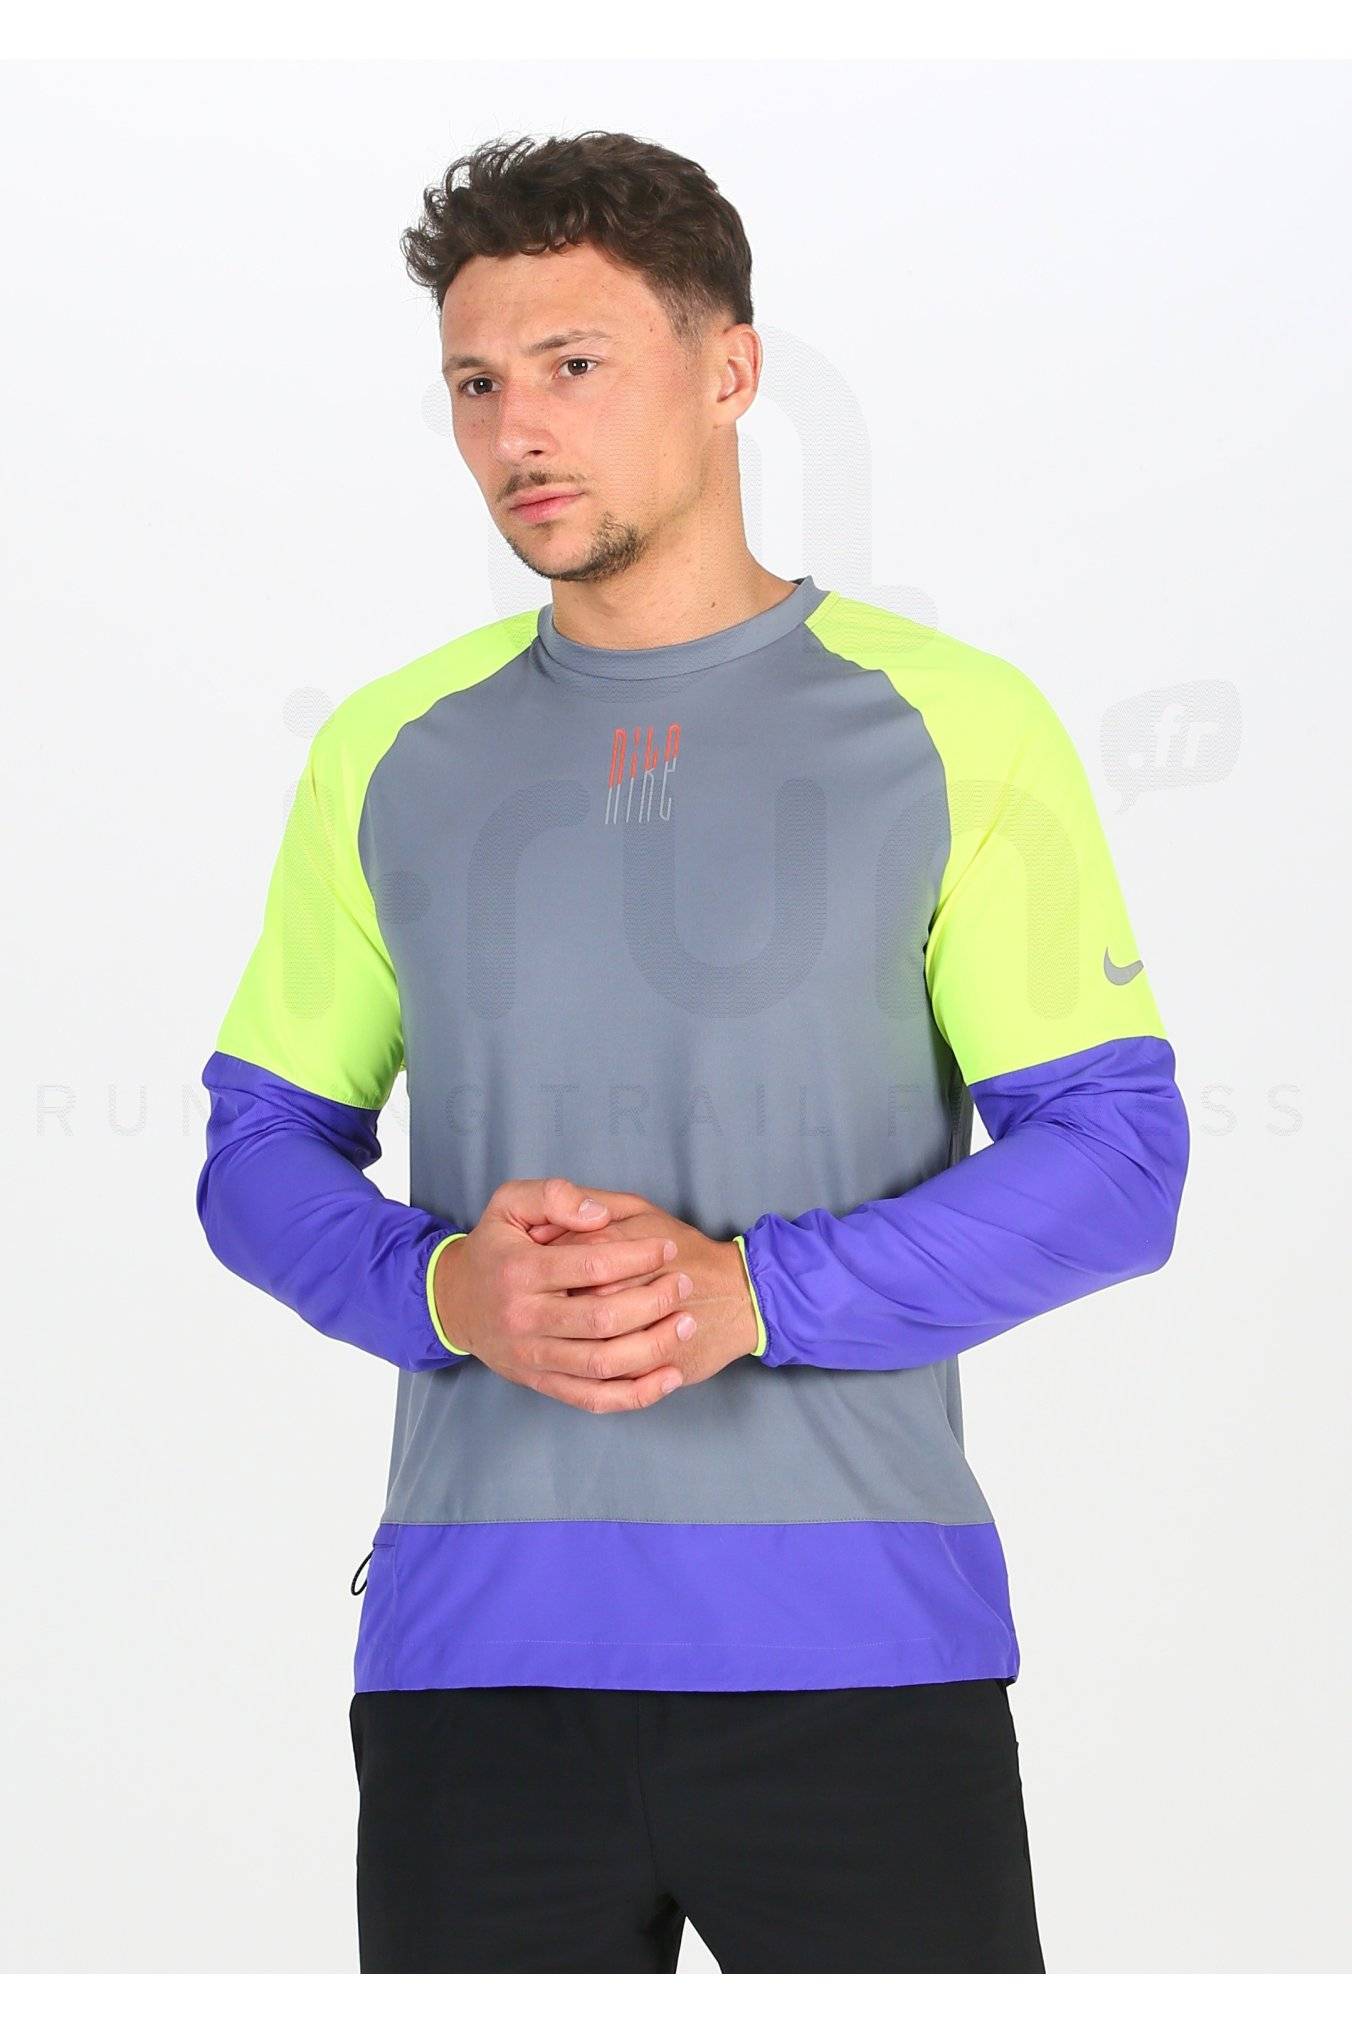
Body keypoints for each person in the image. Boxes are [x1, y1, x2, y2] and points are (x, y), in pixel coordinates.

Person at [196, 129, 1190, 1974]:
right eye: (475, 385)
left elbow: (1119, 1161)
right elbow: (256, 1149)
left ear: (730, 370)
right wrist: (446, 1289)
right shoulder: (391, 749)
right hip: (475, 1667)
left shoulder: (951, 724)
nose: (517, 430)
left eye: (572, 364)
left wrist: (756, 1292)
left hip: (861, 1661)